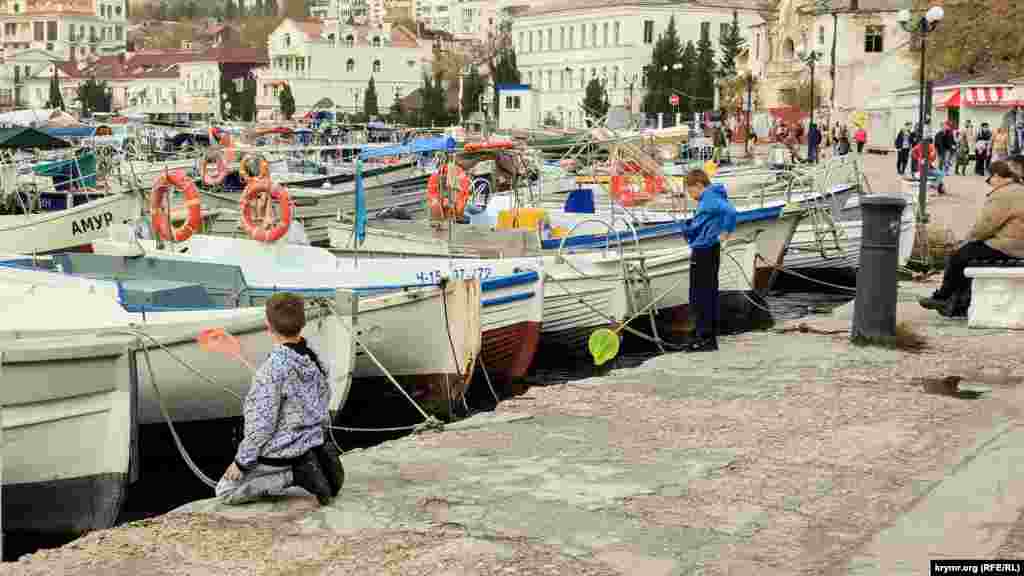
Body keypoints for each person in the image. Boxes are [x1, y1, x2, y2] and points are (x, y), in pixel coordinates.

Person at [217, 292, 343, 506]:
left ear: (268, 325)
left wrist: (240, 462)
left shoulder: (272, 370)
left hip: (284, 451)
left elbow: (262, 426)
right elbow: (324, 397)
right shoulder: (314, 356)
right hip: (313, 439)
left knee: (226, 491)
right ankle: (317, 462)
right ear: (302, 323)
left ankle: (295, 475)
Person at [919, 160, 1024, 315]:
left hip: (1008, 246)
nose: (990, 184)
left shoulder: (1003, 194)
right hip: (1017, 244)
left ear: (996, 176)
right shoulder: (1019, 190)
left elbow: (985, 226)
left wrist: (966, 240)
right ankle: (959, 303)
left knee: (958, 256)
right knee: (969, 255)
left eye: (989, 180)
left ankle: (943, 296)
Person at [683, 169, 737, 352]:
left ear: (699, 185)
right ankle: (704, 334)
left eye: (691, 191)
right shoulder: (712, 197)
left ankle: (705, 337)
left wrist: (726, 232)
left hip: (704, 249)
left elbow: (730, 211)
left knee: (700, 293)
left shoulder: (709, 198)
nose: (691, 196)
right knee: (707, 291)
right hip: (707, 248)